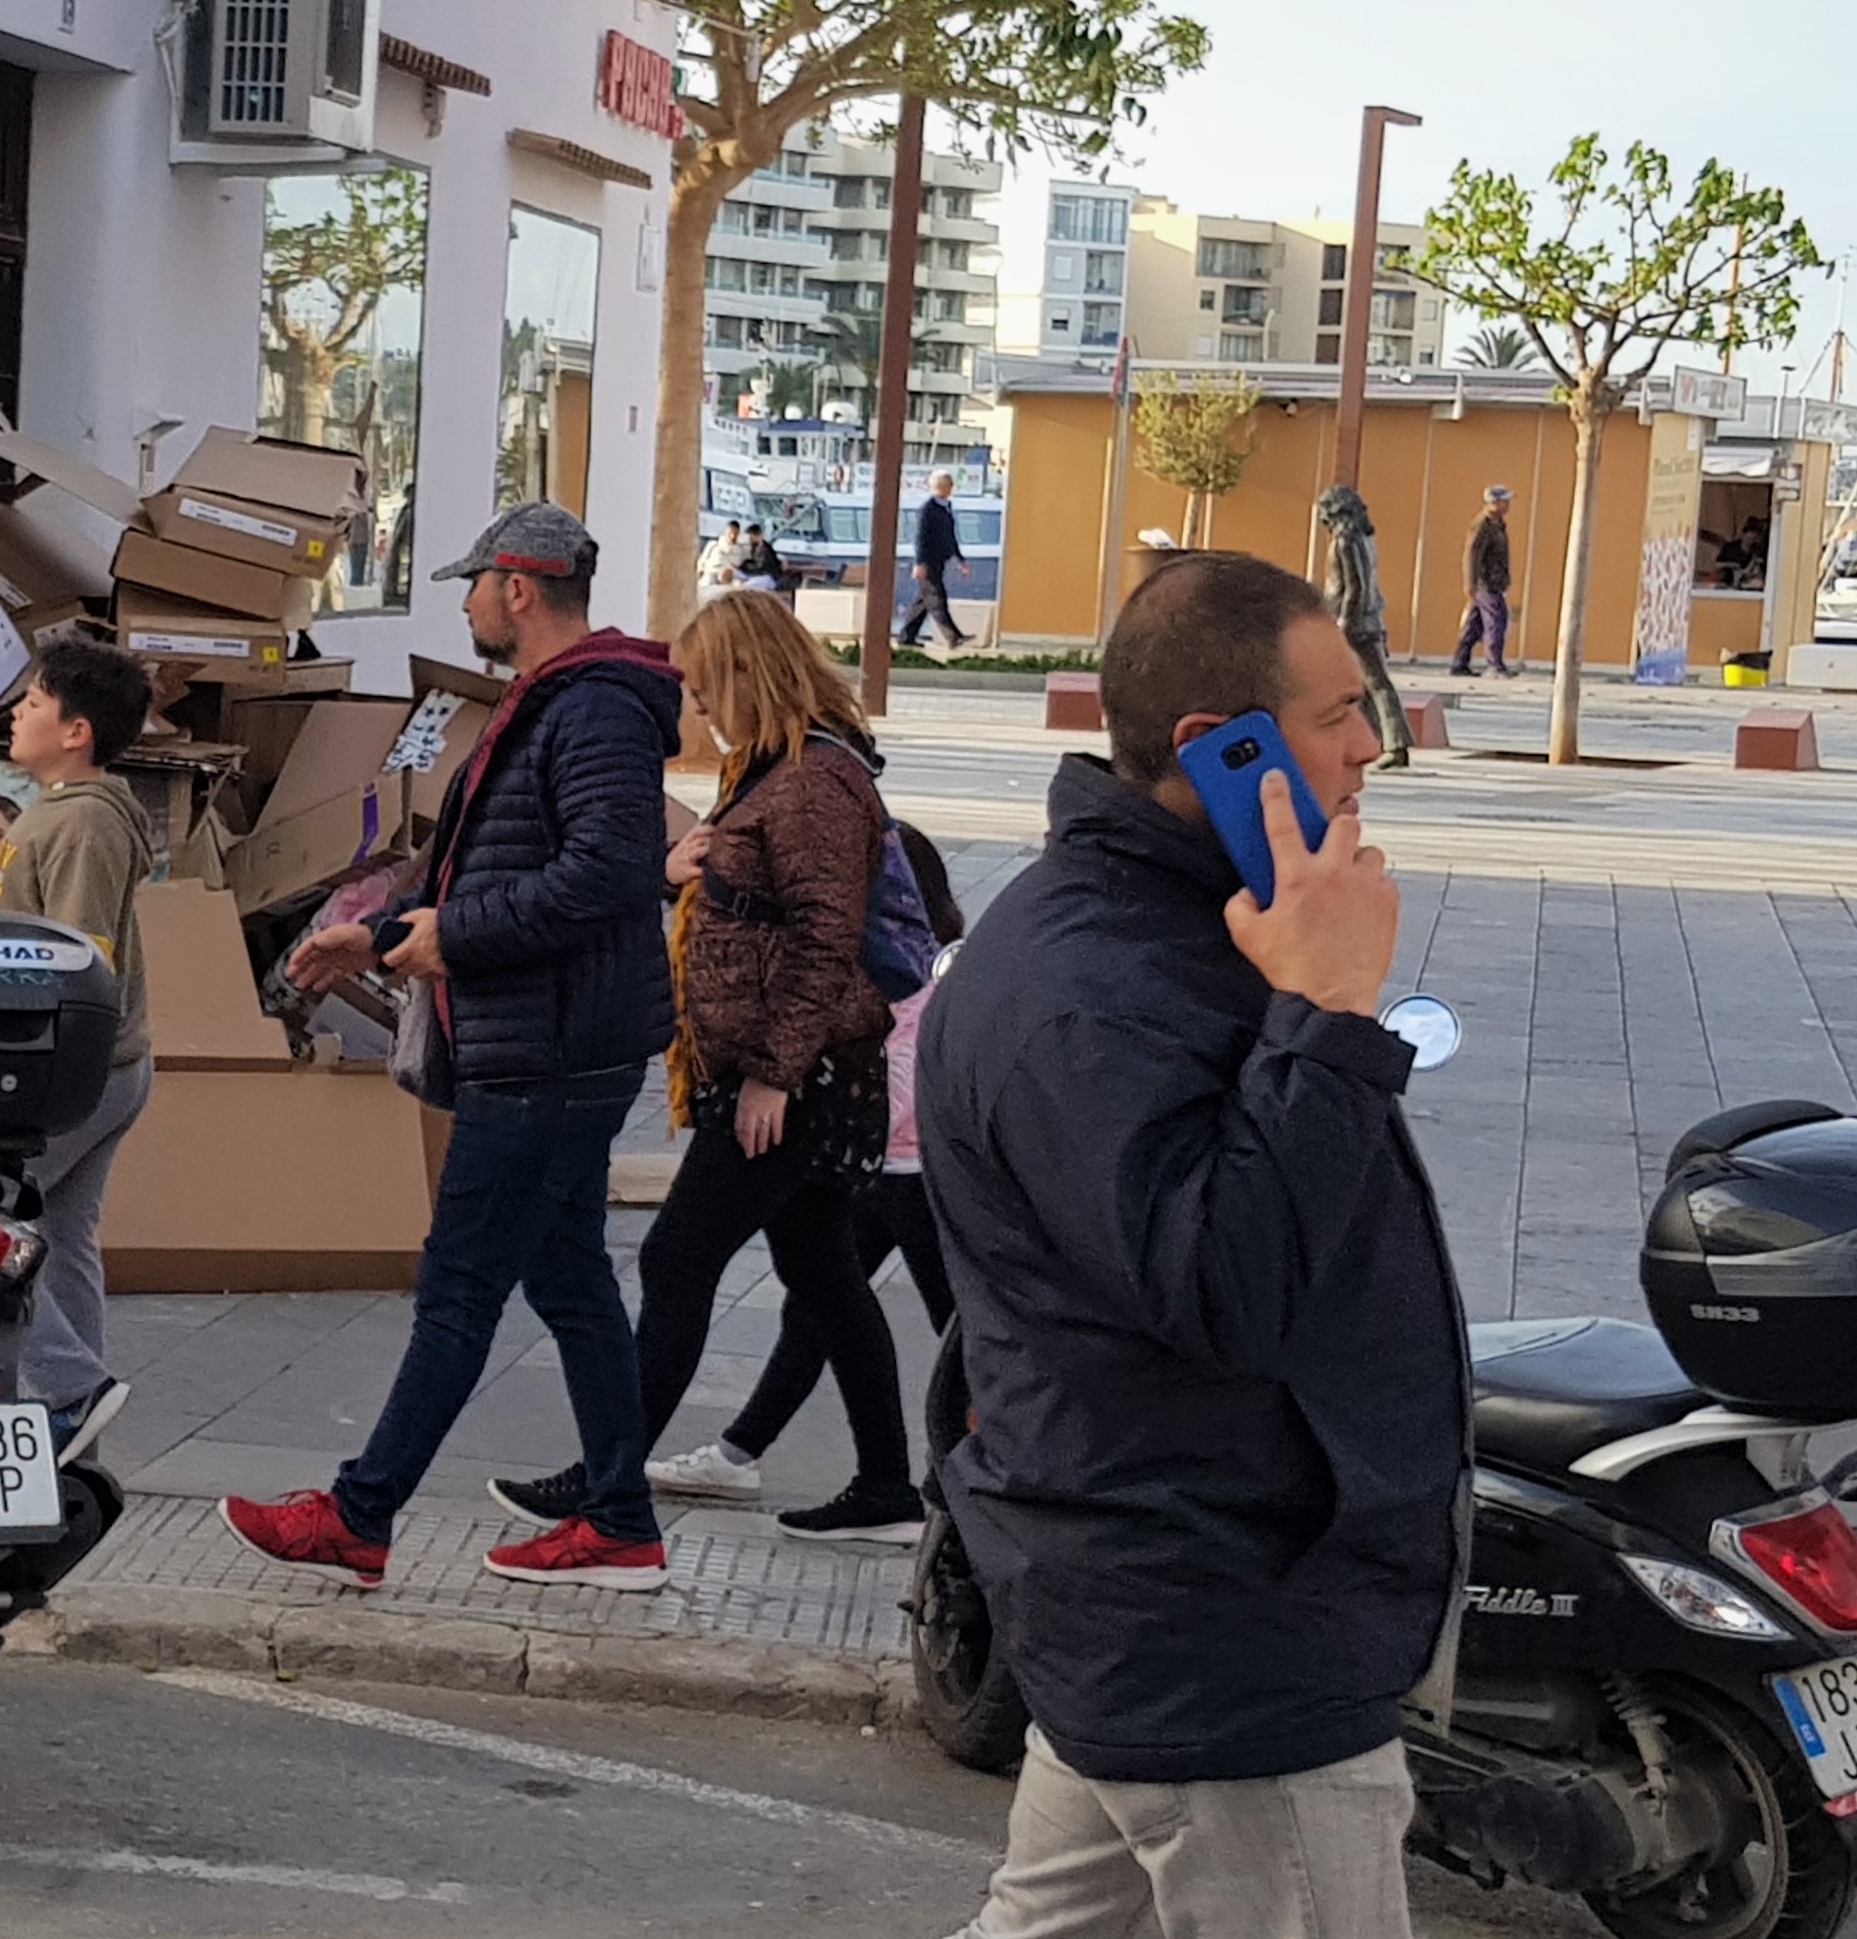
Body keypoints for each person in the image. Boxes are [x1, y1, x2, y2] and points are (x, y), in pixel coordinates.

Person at [921, 549, 1465, 1939]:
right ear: (1220, 746)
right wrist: (1329, 1016)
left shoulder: (1183, 927)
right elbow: (1231, 1284)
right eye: (1338, 713)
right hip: (1220, 1628)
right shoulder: (1087, 993)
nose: (1372, 744)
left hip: (1177, 1599)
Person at [222, 502, 681, 1593]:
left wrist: (454, 938)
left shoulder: (593, 708)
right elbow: (490, 869)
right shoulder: (555, 701)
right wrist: (383, 935)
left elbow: (608, 873)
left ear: (518, 589)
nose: (467, 603)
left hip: (548, 1051)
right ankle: (620, 1519)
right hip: (545, 1039)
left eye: (474, 584)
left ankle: (359, 1516)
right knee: (571, 1284)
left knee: (458, 1289)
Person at [485, 587, 908, 1537]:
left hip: (792, 1079)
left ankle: (608, 1480)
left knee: (678, 1258)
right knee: (824, 1273)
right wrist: (689, 870)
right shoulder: (779, 770)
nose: (699, 705)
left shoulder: (812, 782)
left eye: (709, 684)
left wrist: (772, 1074)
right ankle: (887, 1485)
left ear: (752, 675)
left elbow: (823, 940)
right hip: (787, 1070)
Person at [0, 639, 154, 1458]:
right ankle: (78, 1439)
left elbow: (79, 961)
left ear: (75, 731)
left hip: (76, 1068)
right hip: (105, 1068)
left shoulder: (82, 822)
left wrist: (41, 1072)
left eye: (31, 703)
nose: (15, 714)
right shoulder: (62, 810)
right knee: (61, 1242)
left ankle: (66, 1389)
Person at [848, 824, 962, 1339]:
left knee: (952, 1317)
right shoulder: (890, 971)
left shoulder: (927, 981)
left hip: (914, 1172)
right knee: (818, 1313)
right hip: (883, 1166)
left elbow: (908, 1088)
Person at [1317, 484, 1408, 772]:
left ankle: (1395, 745)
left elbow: (1354, 586)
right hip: (1368, 619)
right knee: (1368, 686)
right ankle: (1377, 743)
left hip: (1357, 623)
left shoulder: (1346, 541)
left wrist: (1344, 622)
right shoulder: (1364, 539)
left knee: (1376, 684)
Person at [1452, 485, 1516, 678]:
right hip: (1485, 583)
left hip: (1495, 582)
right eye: (1504, 501)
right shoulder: (1482, 525)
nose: (1507, 505)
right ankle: (1495, 665)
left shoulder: (1498, 524)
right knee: (1496, 621)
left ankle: (1460, 663)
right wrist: (1470, 582)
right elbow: (1471, 554)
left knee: (1474, 626)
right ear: (1493, 503)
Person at [902, 471, 969, 648]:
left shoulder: (945, 508)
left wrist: (960, 559)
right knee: (936, 598)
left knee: (923, 602)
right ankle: (953, 636)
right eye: (950, 484)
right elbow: (921, 538)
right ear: (941, 486)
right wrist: (919, 563)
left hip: (940, 561)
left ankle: (906, 636)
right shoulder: (928, 510)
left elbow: (950, 537)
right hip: (928, 562)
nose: (952, 487)